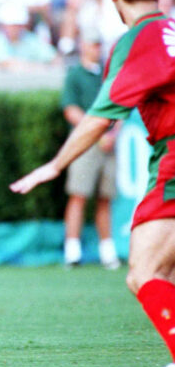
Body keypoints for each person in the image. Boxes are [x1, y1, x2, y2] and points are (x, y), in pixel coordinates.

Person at [10, 0, 175, 367]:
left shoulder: (136, 39)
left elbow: (101, 118)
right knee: (167, 269)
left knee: (144, 271)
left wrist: (54, 165)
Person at [60, 26, 120, 269]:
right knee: (79, 195)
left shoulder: (107, 73)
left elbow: (120, 107)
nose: (97, 49)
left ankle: (107, 251)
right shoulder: (75, 74)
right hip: (84, 144)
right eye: (93, 44)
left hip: (108, 143)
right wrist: (94, 133)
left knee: (105, 198)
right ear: (83, 46)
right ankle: (72, 251)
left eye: (99, 44)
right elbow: (70, 109)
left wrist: (113, 133)